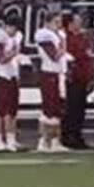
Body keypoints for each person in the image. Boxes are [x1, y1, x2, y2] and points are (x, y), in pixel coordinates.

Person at [34, 13, 68, 153]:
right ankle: (44, 140)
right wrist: (63, 45)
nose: (58, 24)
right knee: (49, 109)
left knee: (57, 109)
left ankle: (55, 140)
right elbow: (54, 55)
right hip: (49, 73)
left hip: (58, 74)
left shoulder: (58, 34)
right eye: (56, 21)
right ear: (47, 22)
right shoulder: (44, 34)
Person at [0, 18, 24, 152]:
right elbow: (1, 59)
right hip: (1, 75)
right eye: (12, 28)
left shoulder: (15, 38)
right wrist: (14, 52)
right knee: (0, 110)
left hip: (12, 76)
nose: (14, 31)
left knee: (12, 110)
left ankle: (11, 139)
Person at [62, 13, 94, 149]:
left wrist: (91, 78)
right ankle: (68, 136)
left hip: (83, 78)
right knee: (72, 108)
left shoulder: (83, 38)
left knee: (80, 109)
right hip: (73, 78)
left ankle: (77, 135)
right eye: (77, 21)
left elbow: (88, 57)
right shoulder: (67, 39)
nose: (80, 24)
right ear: (70, 24)